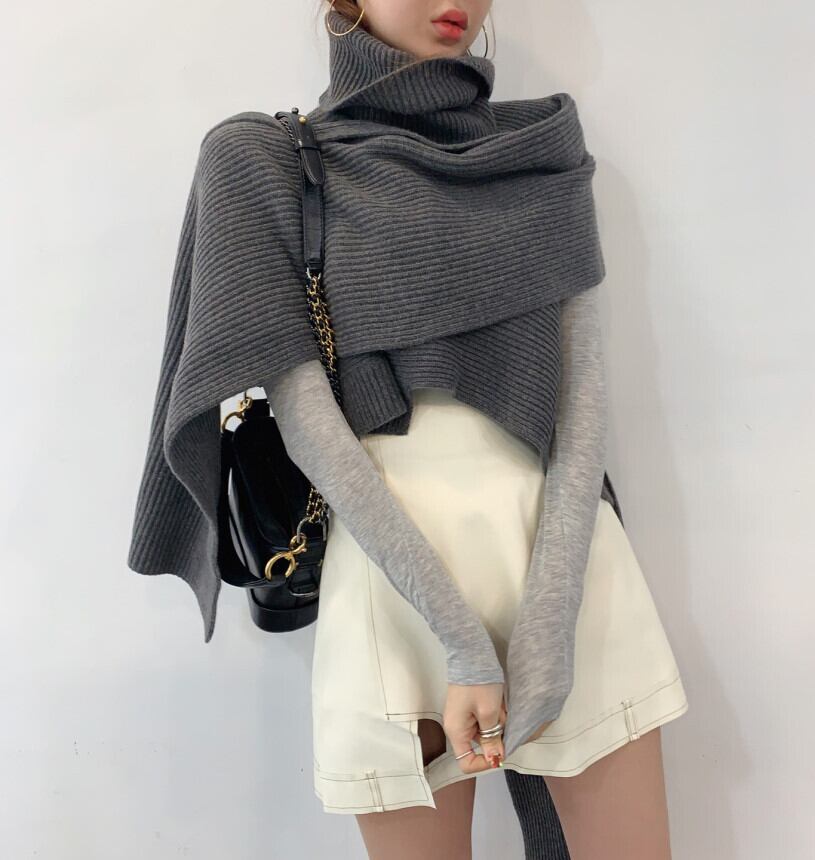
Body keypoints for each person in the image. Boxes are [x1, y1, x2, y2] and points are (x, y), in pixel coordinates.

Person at [127, 1, 689, 856]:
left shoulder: (540, 147)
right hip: (396, 585)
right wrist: (463, 644)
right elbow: (308, 424)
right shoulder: (261, 160)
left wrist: (548, 623)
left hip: (569, 567)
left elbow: (582, 404)